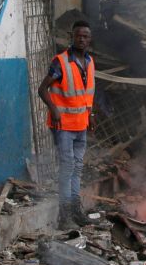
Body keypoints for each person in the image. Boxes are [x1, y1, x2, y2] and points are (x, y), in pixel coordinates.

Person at [37, 20, 99, 230]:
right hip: (63, 125)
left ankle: (75, 209)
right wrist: (54, 110)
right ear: (72, 37)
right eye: (78, 35)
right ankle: (65, 216)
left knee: (78, 167)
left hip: (81, 124)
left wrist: (90, 114)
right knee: (68, 167)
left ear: (89, 40)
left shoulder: (89, 62)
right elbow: (42, 89)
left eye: (85, 36)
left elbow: (87, 93)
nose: (81, 39)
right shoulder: (60, 62)